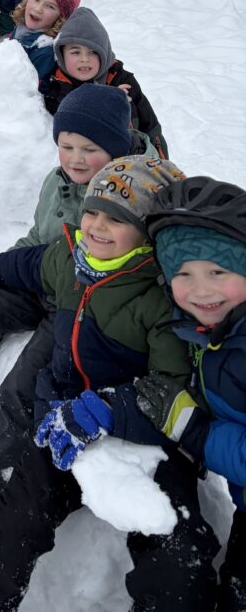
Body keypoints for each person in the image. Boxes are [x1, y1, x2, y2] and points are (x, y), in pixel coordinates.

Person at [0, 156, 219, 612]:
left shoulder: (162, 295)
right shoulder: (70, 256)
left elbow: (172, 385)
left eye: (117, 219)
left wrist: (112, 410)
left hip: (144, 435)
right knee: (12, 516)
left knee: (176, 550)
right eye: (92, 211)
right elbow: (32, 264)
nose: (97, 226)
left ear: (148, 231)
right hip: (64, 422)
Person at [0, 85, 161, 581]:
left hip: (80, 306)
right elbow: (39, 239)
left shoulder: (136, 195)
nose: (75, 158)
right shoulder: (58, 180)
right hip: (46, 278)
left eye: (89, 148)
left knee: (18, 394)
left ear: (118, 146)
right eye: (66, 145)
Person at [137, 176, 246, 612]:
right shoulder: (211, 330)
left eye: (218, 271)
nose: (201, 290)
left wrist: (194, 430)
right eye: (183, 273)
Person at [43, 6, 169, 157]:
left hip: (134, 161)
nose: (84, 59)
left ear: (104, 54)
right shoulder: (57, 85)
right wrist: (107, 100)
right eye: (75, 52)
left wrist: (162, 164)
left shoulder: (122, 80)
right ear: (62, 55)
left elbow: (151, 128)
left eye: (93, 52)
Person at [5, 0, 84, 90]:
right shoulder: (22, 29)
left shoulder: (45, 52)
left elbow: (27, 92)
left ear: (61, 17)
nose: (37, 9)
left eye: (50, 6)